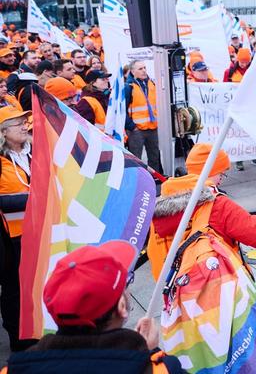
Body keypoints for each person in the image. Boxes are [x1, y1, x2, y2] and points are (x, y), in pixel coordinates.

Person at [4, 240, 187, 373]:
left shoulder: (12, 369)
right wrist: (149, 353)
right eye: (127, 281)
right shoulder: (160, 369)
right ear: (122, 307)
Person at [147, 143, 256, 281]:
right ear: (210, 171)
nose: (220, 183)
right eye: (222, 175)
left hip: (178, 290)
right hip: (216, 286)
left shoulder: (164, 201)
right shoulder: (217, 205)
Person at [0, 105, 34, 352]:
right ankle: (19, 342)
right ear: (2, 132)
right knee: (14, 290)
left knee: (37, 284)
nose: (25, 125)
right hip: (11, 240)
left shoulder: (34, 153)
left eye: (25, 121)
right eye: (18, 123)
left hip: (39, 233)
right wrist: (33, 198)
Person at [125, 60, 160, 173]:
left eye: (144, 68)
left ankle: (155, 180)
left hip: (153, 127)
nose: (144, 71)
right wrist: (131, 127)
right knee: (137, 160)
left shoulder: (152, 84)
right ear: (132, 72)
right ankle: (139, 182)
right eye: (140, 69)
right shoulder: (128, 87)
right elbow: (122, 111)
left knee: (154, 158)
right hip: (137, 130)